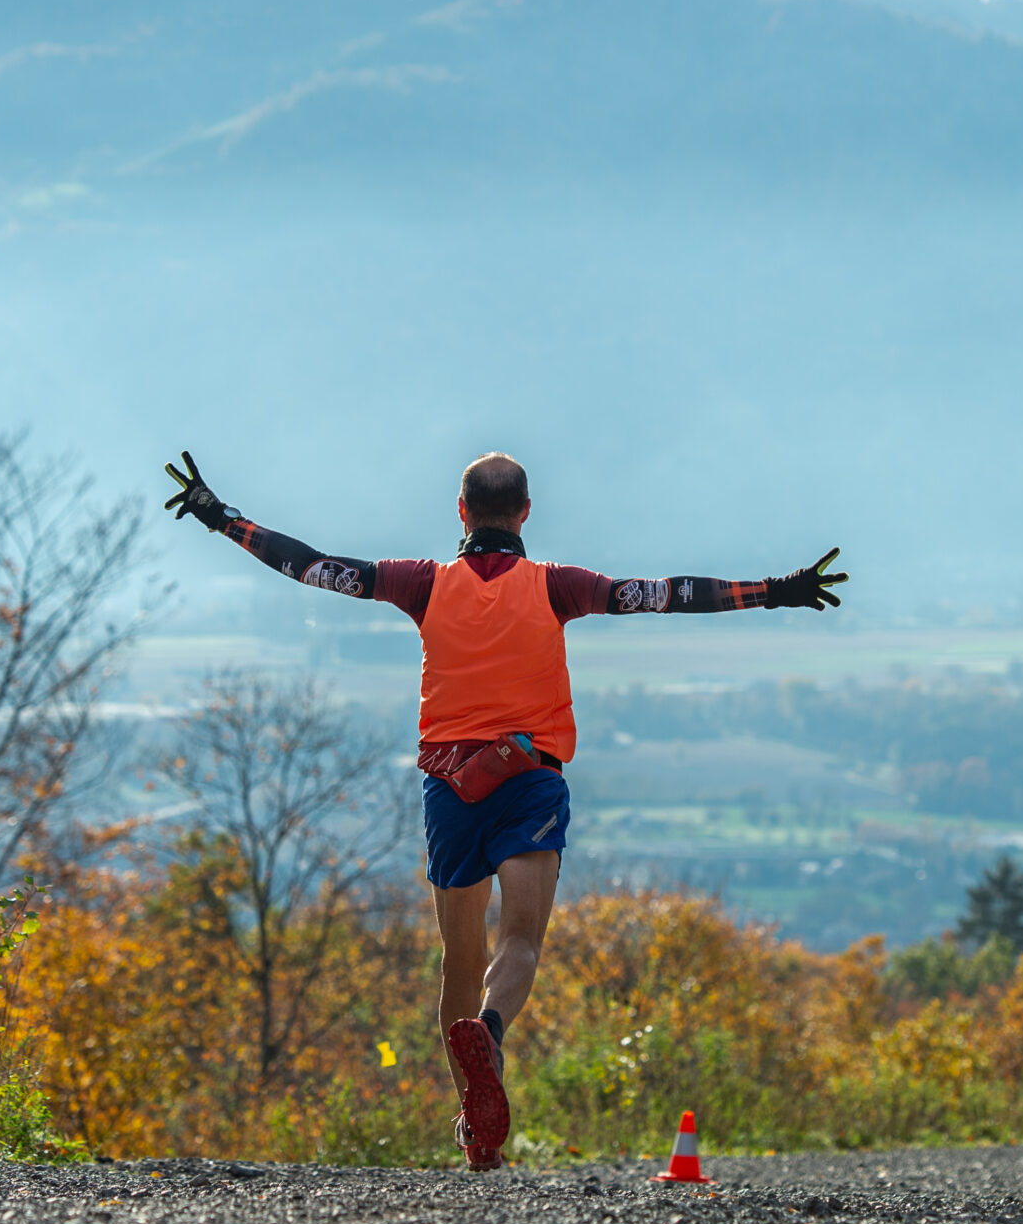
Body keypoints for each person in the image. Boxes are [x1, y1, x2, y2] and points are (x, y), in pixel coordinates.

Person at [162, 449, 846, 1170]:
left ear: (461, 512)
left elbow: (313, 567)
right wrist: (776, 591)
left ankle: (476, 1128)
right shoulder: (559, 587)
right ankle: (489, 1033)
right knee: (520, 941)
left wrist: (221, 518)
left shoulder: (422, 584)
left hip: (451, 788)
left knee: (460, 960)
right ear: (525, 513)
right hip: (530, 780)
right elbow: (665, 594)